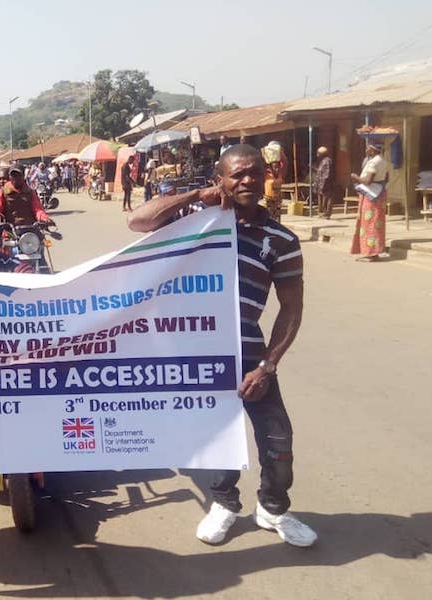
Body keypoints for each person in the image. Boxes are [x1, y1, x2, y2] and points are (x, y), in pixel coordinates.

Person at [127, 144, 318, 548]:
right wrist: (197, 196)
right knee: (217, 438)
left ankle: (272, 509)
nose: (247, 180)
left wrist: (267, 367)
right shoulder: (195, 221)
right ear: (221, 180)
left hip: (251, 356)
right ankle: (224, 504)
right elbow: (138, 222)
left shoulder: (281, 239)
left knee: (279, 445)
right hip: (201, 354)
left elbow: (291, 310)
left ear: (266, 174)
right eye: (237, 174)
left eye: (254, 172)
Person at [350, 143, 388, 261]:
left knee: (369, 223)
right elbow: (387, 178)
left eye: (368, 148)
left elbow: (368, 181)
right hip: (379, 193)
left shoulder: (373, 162)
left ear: (372, 150)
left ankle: (371, 253)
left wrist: (356, 177)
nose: (366, 150)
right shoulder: (383, 161)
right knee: (377, 222)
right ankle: (374, 251)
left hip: (371, 196)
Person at [313, 147, 334, 219]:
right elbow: (321, 172)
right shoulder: (323, 161)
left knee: (326, 199)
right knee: (322, 199)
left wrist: (323, 185)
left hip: (326, 184)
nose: (317, 155)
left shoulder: (327, 161)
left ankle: (326, 214)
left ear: (323, 154)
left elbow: (326, 175)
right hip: (321, 184)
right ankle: (322, 213)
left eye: (318, 153)